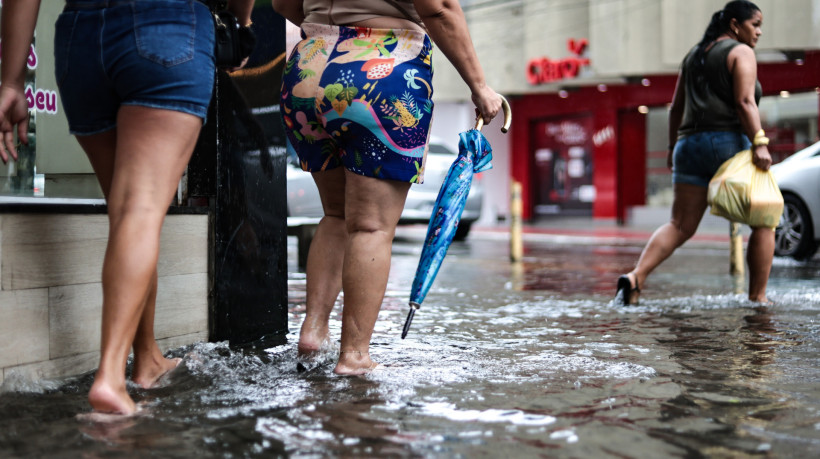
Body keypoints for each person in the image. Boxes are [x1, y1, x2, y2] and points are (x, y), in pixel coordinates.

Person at [0, 0, 254, 415]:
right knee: (140, 210)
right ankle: (110, 379)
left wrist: (11, 82)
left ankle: (148, 358)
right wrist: (242, 22)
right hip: (168, 26)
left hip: (80, 35)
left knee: (128, 216)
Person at [272, 0, 502, 374]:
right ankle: (355, 355)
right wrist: (479, 86)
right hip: (381, 66)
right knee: (371, 225)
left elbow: (282, 2)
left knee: (334, 214)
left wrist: (327, 31)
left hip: (307, 66)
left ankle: (313, 330)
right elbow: (440, 8)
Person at [616, 1, 773, 305]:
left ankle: (636, 277)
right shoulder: (741, 52)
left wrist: (673, 146)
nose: (759, 32)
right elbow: (744, 102)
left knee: (680, 225)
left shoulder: (693, 55)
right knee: (765, 219)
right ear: (734, 25)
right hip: (727, 143)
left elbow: (676, 107)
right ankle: (759, 300)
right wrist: (760, 141)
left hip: (688, 146)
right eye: (755, 24)